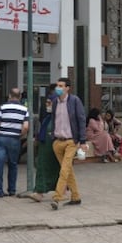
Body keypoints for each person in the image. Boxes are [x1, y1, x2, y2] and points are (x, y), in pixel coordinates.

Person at [45, 77, 86, 210]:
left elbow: (81, 120)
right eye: (57, 85)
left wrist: (82, 140)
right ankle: (75, 196)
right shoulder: (55, 102)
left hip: (70, 141)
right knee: (68, 170)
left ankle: (57, 197)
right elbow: (53, 118)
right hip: (58, 141)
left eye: (61, 86)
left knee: (64, 170)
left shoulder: (74, 101)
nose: (58, 88)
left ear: (68, 88)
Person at [0, 88, 29, 197]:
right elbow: (26, 126)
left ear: (9, 96)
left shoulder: (2, 107)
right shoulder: (24, 109)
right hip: (15, 139)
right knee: (13, 164)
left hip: (2, 138)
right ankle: (12, 190)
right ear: (20, 97)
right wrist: (20, 134)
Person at [29, 88, 61, 202]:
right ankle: (39, 191)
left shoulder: (59, 119)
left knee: (58, 170)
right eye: (46, 103)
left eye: (49, 103)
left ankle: (61, 190)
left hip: (54, 148)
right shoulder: (48, 117)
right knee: (42, 168)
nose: (47, 105)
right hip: (45, 147)